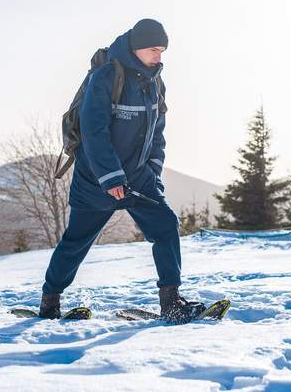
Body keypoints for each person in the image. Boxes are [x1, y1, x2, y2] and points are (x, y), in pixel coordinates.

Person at [40, 18, 202, 323]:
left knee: (166, 226)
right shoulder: (106, 77)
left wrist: (153, 167)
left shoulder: (155, 82)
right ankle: (50, 300)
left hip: (139, 178)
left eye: (162, 50)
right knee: (76, 242)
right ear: (138, 47)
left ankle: (171, 301)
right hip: (96, 180)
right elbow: (93, 130)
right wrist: (110, 176)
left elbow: (158, 131)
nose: (159, 56)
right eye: (154, 49)